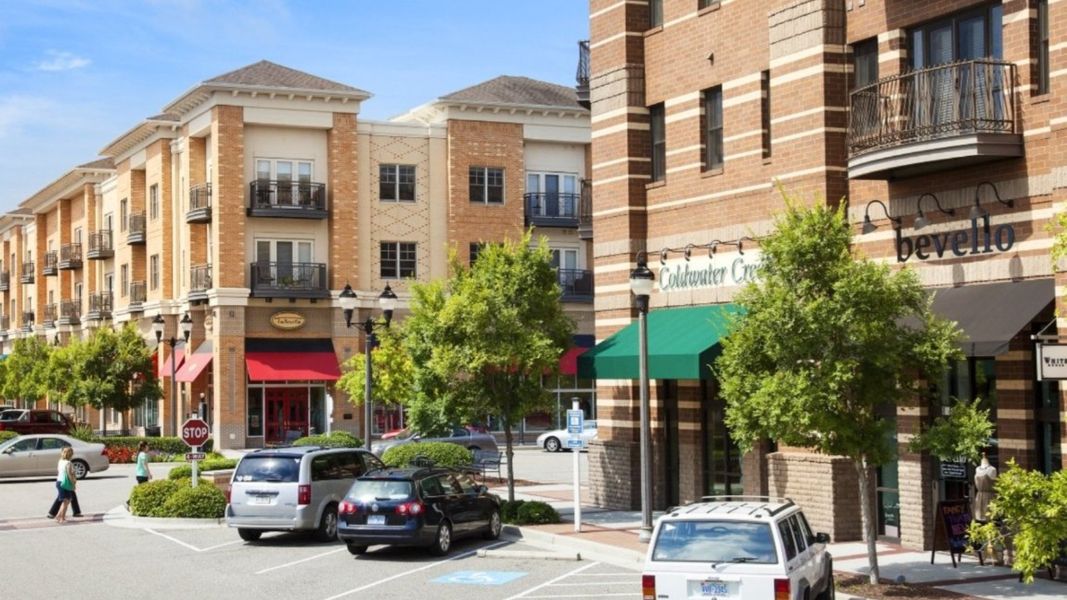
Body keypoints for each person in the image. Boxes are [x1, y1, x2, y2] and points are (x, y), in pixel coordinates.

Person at [54, 447, 77, 523]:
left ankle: (60, 516)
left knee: (68, 500)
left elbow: (59, 471)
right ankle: (60, 518)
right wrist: (73, 484)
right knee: (66, 502)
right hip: (65, 483)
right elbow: (69, 475)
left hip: (59, 482)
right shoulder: (69, 463)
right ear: (70, 454)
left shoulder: (60, 461)